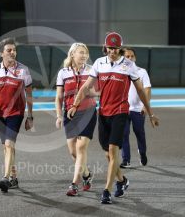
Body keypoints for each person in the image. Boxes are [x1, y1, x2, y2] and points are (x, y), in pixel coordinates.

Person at [67, 32, 159, 204]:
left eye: (116, 48)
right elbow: (87, 86)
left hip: (120, 112)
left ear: (120, 49)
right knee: (108, 155)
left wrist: (150, 113)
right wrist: (74, 104)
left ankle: (107, 191)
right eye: (110, 48)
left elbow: (140, 90)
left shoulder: (129, 65)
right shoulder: (99, 63)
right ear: (105, 47)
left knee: (113, 151)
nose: (113, 51)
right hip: (103, 113)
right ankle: (122, 181)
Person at [0, 37, 33, 193]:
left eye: (14, 50)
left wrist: (30, 116)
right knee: (6, 147)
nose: (12, 52)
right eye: (9, 50)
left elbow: (29, 95)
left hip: (16, 113)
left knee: (9, 145)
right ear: (1, 53)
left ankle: (5, 178)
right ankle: (14, 177)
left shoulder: (24, 70)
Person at [55, 43, 98, 196]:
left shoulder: (92, 71)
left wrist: (88, 91)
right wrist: (59, 115)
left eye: (86, 53)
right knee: (73, 152)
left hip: (88, 112)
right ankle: (86, 174)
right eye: (81, 53)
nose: (84, 56)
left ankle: (74, 184)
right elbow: (59, 97)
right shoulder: (63, 73)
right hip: (69, 114)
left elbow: (97, 92)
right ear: (72, 54)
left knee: (81, 148)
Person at [120, 48, 151, 168]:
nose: (130, 58)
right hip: (123, 109)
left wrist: (145, 106)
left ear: (135, 58)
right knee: (124, 134)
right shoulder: (120, 72)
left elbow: (147, 89)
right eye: (127, 56)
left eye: (132, 56)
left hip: (138, 109)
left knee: (139, 133)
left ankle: (142, 153)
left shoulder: (141, 72)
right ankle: (126, 159)